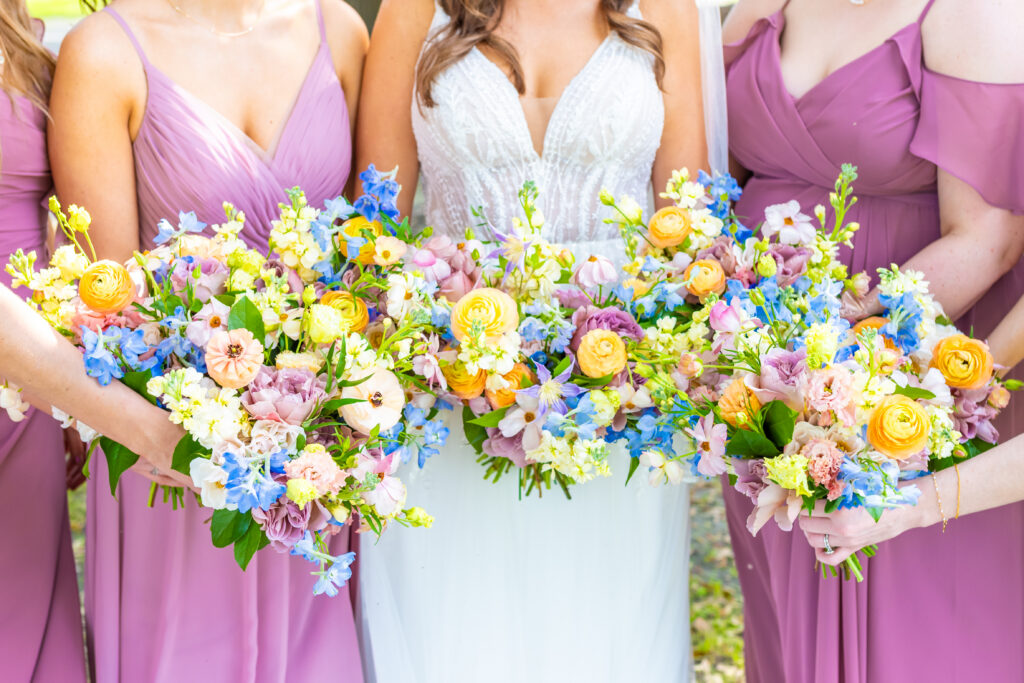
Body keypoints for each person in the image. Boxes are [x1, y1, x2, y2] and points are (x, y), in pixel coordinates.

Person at [354, 1, 705, 681]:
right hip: (453, 394)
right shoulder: (413, 11)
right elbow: (376, 228)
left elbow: (688, 228)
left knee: (611, 634)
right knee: (451, 633)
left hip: (620, 404)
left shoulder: (662, 8)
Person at [48, 0, 369, 679]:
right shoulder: (105, 54)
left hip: (313, 457)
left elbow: (358, 270)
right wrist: (213, 428)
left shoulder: (337, 31)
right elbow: (113, 312)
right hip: (173, 451)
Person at [722, 0, 1024, 681]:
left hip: (892, 375)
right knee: (789, 618)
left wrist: (828, 357)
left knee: (911, 638)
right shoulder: (766, 5)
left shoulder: (967, 14)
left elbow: (992, 240)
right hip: (761, 382)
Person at [0, 6, 89, 679]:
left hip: (29, 389)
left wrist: (73, 393)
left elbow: (60, 230)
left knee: (25, 595)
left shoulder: (30, 40)